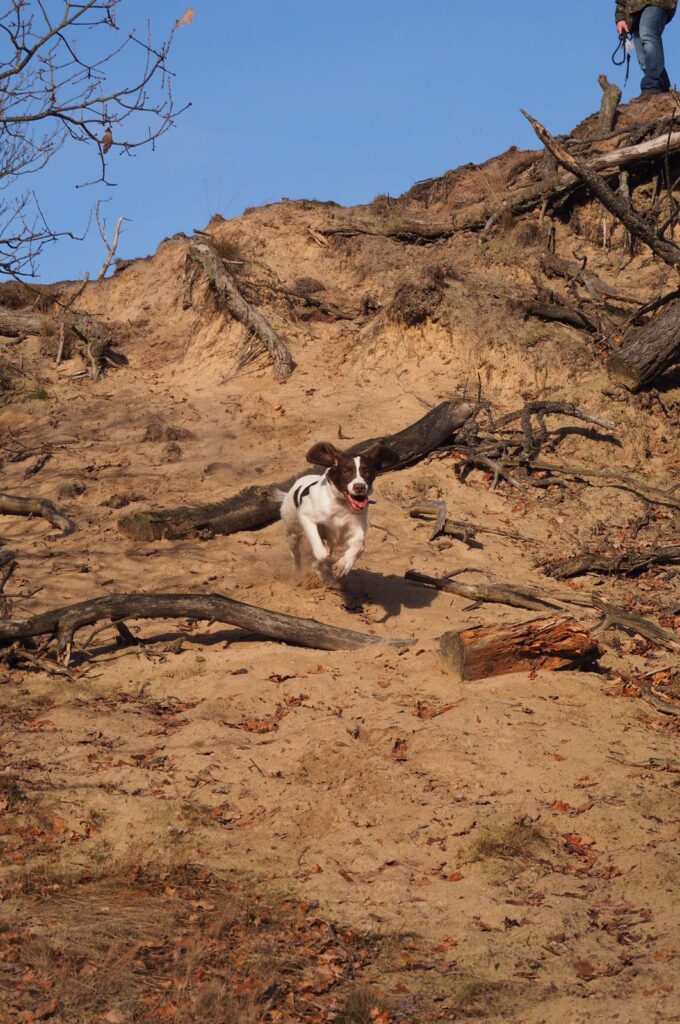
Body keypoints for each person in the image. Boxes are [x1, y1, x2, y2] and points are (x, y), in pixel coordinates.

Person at [615, 1, 677, 93]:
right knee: (643, 59)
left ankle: (652, 86)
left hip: (656, 3)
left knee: (648, 33)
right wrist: (620, 18)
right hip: (634, 11)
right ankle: (665, 93)